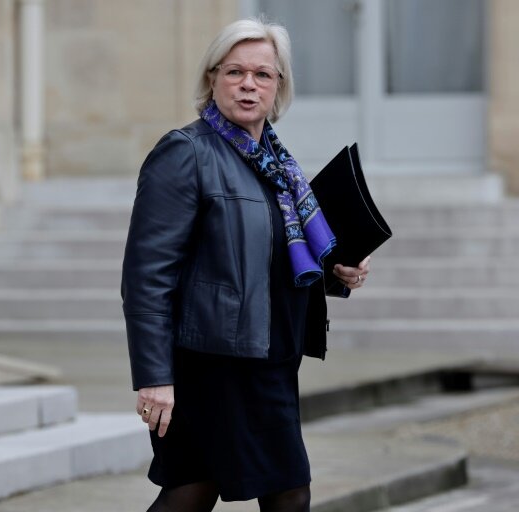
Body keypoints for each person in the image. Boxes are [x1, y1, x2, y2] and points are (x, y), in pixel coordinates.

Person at [121, 17, 371, 512]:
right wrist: (154, 376)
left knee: (197, 489)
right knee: (280, 491)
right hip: (211, 362)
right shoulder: (185, 152)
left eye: (262, 74)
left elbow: (270, 256)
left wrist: (334, 273)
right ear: (212, 79)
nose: (248, 85)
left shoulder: (276, 163)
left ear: (279, 87)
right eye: (235, 72)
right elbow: (147, 275)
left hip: (270, 354)